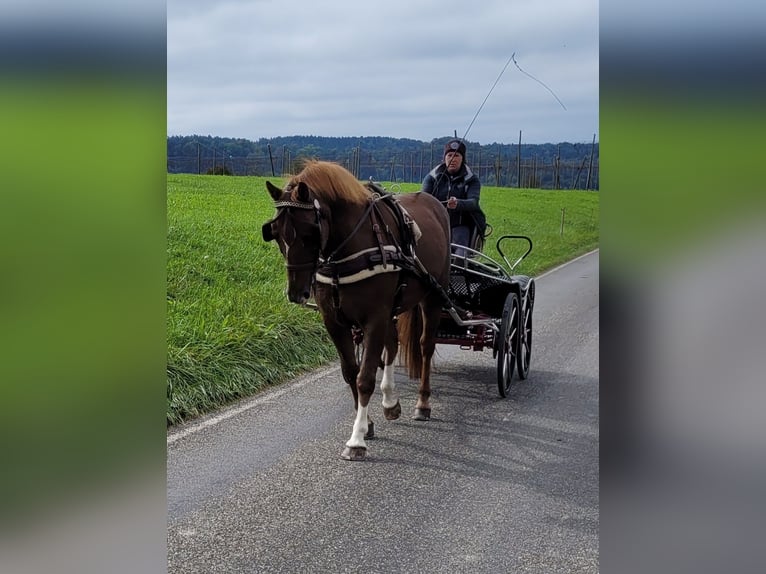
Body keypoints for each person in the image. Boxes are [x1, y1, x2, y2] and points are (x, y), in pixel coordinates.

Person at [422, 138, 486, 256]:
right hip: (435, 225)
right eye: (449, 155)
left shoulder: (472, 179)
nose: (452, 159)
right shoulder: (431, 177)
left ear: (463, 159)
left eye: (457, 156)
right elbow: (423, 200)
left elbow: (474, 202)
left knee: (461, 254)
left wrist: (458, 204)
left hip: (460, 226)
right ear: (444, 157)